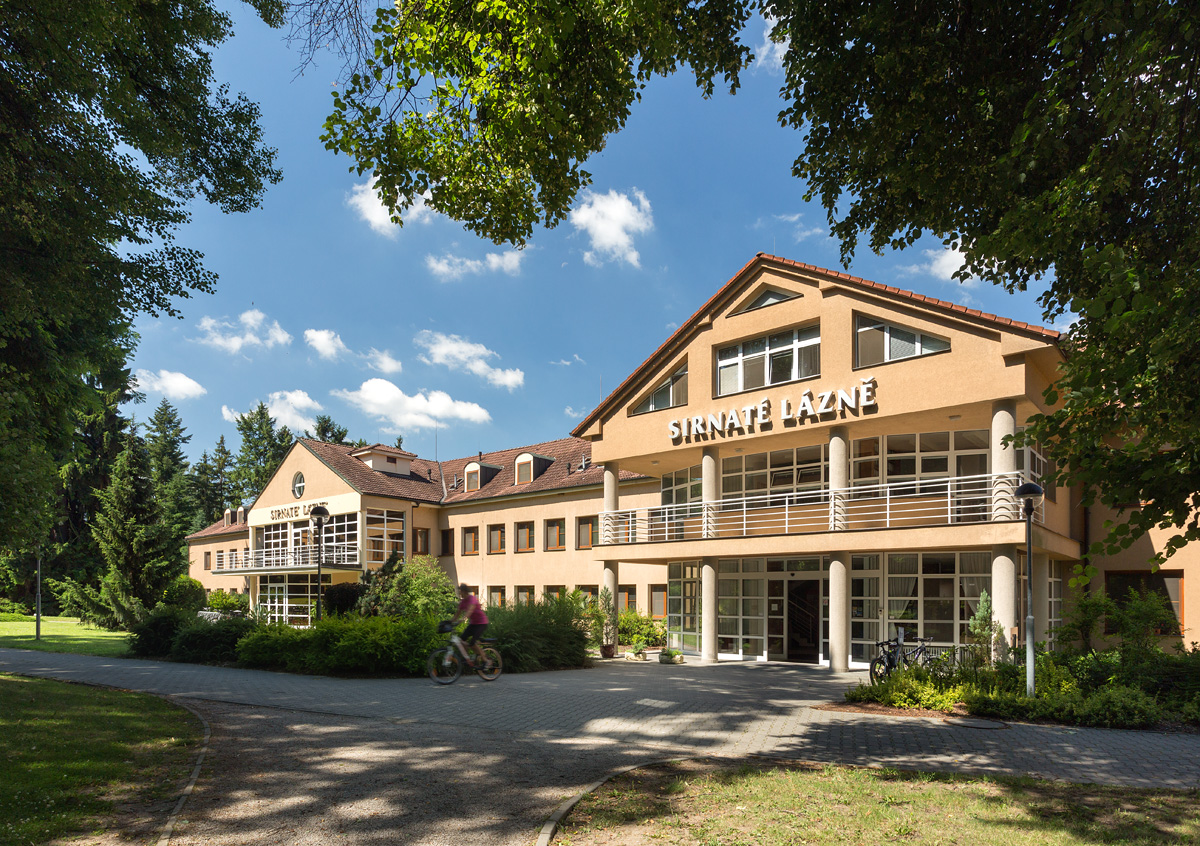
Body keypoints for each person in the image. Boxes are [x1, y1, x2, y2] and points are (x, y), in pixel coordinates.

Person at [450, 583, 490, 667]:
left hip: (481, 623)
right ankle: (467, 658)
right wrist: (449, 622)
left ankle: (486, 661)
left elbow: (470, 610)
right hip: (473, 623)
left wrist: (463, 619)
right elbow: (457, 614)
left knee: (472, 643)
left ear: (465, 591)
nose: (459, 593)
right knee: (461, 640)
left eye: (460, 592)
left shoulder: (472, 599)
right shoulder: (462, 602)